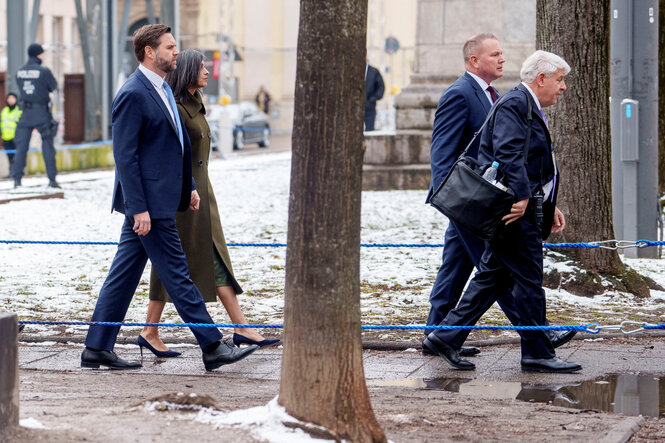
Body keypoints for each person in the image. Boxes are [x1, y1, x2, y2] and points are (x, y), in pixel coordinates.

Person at [81, 24, 258, 371]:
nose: (176, 52)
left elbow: (176, 145)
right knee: (178, 274)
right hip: (150, 206)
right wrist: (138, 208)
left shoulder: (162, 89)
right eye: (170, 47)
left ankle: (96, 346)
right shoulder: (133, 93)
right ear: (150, 51)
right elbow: (126, 157)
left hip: (160, 200)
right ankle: (212, 345)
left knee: (123, 276)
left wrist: (189, 186)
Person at [423, 50, 582, 374]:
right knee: (528, 279)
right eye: (559, 80)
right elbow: (509, 152)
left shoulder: (524, 104)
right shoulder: (516, 103)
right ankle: (537, 352)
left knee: (493, 277)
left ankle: (446, 336)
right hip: (513, 211)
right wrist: (524, 199)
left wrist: (546, 206)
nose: (562, 87)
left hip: (519, 208)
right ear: (541, 79)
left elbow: (533, 163)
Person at [139, 49, 279, 358]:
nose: (207, 72)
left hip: (203, 195)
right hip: (183, 199)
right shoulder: (174, 106)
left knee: (209, 256)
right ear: (188, 71)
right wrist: (183, 191)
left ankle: (237, 326)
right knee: (173, 262)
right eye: (202, 67)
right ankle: (151, 330)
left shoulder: (194, 105)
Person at [11, 43, 59, 188]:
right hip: (42, 112)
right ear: (38, 54)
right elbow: (53, 86)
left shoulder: (19, 71)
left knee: (21, 147)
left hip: (25, 113)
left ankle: (17, 179)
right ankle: (52, 180)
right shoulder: (43, 71)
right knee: (47, 146)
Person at [1, 93, 21, 175]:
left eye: (13, 98)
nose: (11, 100)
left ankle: (17, 173)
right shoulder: (4, 111)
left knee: (17, 157)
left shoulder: (19, 110)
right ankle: (11, 173)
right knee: (9, 157)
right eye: (9, 98)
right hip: (6, 138)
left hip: (16, 138)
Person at [364, 54, 384, 131]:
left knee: (369, 130)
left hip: (369, 106)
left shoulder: (373, 72)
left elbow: (381, 87)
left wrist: (373, 99)